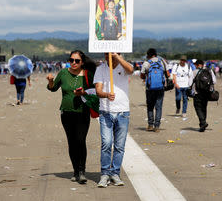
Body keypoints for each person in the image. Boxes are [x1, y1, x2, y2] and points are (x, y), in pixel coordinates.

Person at [46, 50, 96, 184]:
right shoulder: (63, 73)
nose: (73, 63)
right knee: (72, 142)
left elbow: (95, 91)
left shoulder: (87, 74)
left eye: (77, 61)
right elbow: (53, 88)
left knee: (80, 140)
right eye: (71, 60)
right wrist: (51, 81)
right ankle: (75, 171)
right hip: (66, 113)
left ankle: (82, 171)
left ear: (82, 62)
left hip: (83, 112)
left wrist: (83, 92)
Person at [94, 53, 133, 188]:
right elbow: (98, 90)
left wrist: (118, 57)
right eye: (106, 54)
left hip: (123, 112)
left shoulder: (123, 66)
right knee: (106, 143)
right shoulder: (101, 69)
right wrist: (106, 94)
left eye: (110, 53)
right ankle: (105, 174)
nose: (108, 56)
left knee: (119, 146)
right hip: (106, 112)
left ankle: (115, 173)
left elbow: (131, 70)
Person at [140, 48, 170, 132]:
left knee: (150, 106)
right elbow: (168, 74)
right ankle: (157, 126)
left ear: (148, 55)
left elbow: (141, 76)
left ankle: (150, 125)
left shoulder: (146, 63)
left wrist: (147, 75)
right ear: (156, 54)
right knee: (158, 107)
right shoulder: (162, 61)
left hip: (149, 88)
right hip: (160, 88)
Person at [191, 60, 216, 132]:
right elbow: (214, 81)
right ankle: (202, 126)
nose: (195, 66)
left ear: (198, 65)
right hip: (207, 92)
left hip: (197, 93)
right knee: (204, 108)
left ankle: (203, 122)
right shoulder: (209, 70)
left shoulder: (195, 72)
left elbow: (190, 82)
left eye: (196, 65)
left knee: (198, 108)